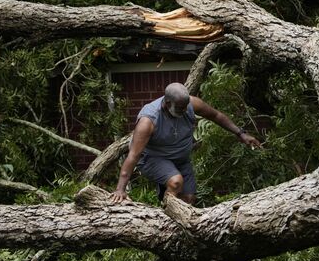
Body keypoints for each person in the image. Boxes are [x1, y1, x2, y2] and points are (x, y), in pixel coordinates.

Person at [110, 82, 261, 205]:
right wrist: (120, 189)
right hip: (153, 159)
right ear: (167, 103)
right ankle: (164, 219)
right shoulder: (149, 120)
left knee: (189, 200)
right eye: (180, 108)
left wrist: (240, 133)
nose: (184, 110)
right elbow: (133, 155)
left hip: (181, 159)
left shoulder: (191, 104)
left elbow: (216, 115)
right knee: (176, 182)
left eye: (186, 107)